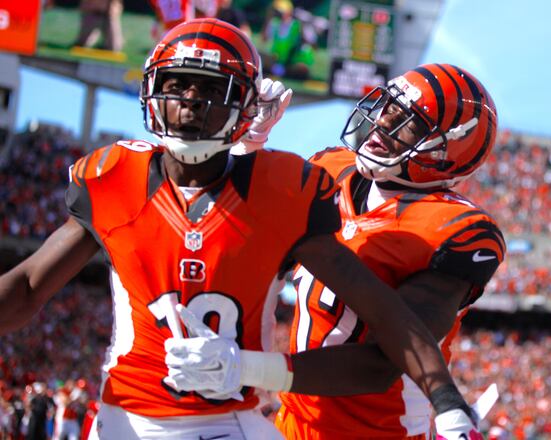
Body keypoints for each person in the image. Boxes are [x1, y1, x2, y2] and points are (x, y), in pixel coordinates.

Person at [0, 18, 474, 439]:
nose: (188, 103)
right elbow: (25, 286)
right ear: (150, 92)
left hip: (231, 417)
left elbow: (383, 309)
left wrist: (447, 402)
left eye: (209, 89)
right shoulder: (112, 176)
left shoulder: (282, 190)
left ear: (244, 106)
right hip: (127, 415)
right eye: (177, 84)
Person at [164, 63, 501, 440]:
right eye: (387, 107)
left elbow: (381, 364)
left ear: (447, 150)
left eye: (407, 120)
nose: (382, 123)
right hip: (291, 426)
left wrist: (245, 367)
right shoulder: (331, 168)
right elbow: (241, 227)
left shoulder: (456, 229)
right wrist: (244, 144)